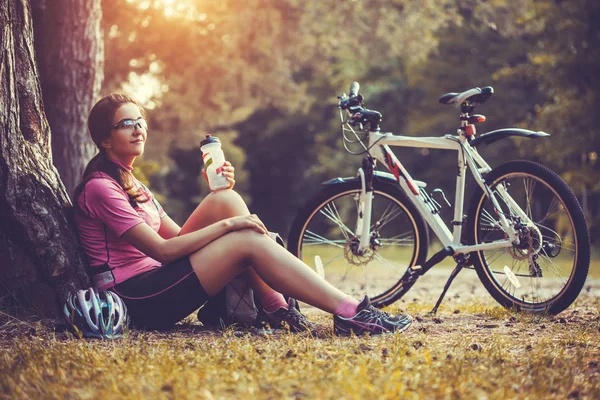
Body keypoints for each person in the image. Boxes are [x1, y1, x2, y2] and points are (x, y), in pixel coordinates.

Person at [73, 93, 413, 336]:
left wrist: (216, 195)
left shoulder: (136, 186)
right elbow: (163, 251)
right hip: (137, 297)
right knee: (243, 236)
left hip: (160, 281)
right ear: (105, 139)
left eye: (141, 121)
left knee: (226, 197)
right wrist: (230, 225)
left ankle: (278, 307)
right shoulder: (101, 188)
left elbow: (178, 241)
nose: (138, 129)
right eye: (126, 124)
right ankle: (347, 313)